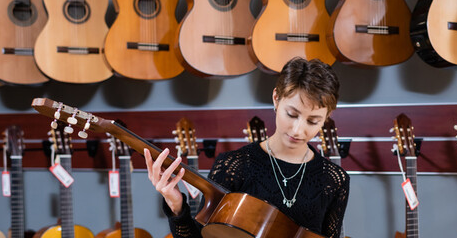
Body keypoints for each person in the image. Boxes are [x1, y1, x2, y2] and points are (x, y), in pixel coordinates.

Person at [143, 57, 349, 238]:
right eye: (292, 114)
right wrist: (176, 205)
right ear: (276, 98)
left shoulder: (334, 179)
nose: (298, 130)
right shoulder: (234, 166)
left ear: (327, 117)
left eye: (313, 121)